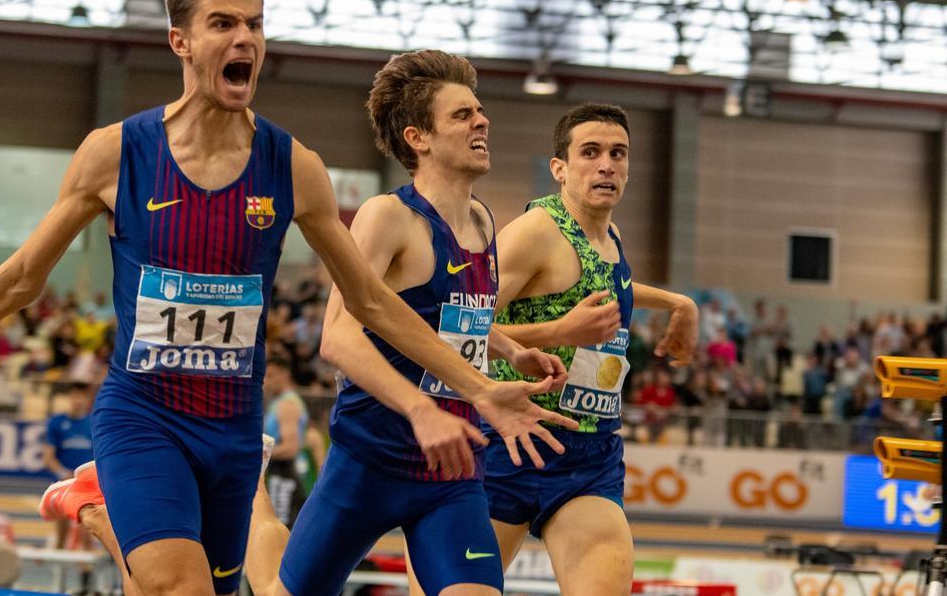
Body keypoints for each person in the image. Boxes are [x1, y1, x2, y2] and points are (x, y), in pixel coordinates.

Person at [0, 0, 564, 596]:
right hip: (144, 413)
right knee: (178, 585)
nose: (246, 39)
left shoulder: (293, 167)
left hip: (232, 431)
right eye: (224, 24)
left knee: (194, 584)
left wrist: (475, 389)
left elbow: (368, 301)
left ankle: (98, 514)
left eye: (256, 25)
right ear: (181, 41)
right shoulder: (117, 153)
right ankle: (115, 507)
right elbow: (20, 278)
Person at [242, 50, 601, 596]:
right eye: (462, 115)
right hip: (372, 461)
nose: (482, 121)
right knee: (277, 590)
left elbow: (451, 318)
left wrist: (508, 349)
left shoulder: (482, 220)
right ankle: (249, 482)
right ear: (418, 138)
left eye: (480, 111)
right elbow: (338, 337)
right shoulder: (388, 217)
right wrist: (419, 408)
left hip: (453, 471)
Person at [443, 103, 699, 596]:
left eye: (618, 154)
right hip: (509, 444)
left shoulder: (610, 235)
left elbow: (613, 284)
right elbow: (461, 324)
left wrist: (676, 302)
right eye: (591, 152)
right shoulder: (533, 234)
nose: (606, 165)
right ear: (559, 168)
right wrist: (561, 330)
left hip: (589, 455)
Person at [42, 382, 95, 550]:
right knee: (61, 533)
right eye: (75, 396)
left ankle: (86, 574)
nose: (78, 400)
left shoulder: (93, 423)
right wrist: (62, 473)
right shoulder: (56, 423)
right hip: (64, 483)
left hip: (88, 485)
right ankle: (58, 573)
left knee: (88, 532)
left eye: (82, 396)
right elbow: (48, 456)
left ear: (87, 399)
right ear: (69, 397)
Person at [261, 357, 308, 528]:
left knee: (280, 529)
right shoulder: (279, 402)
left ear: (284, 374)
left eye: (271, 375)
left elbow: (290, 448)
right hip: (279, 474)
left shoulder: (287, 405)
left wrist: (257, 453)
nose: (266, 381)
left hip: (284, 475)